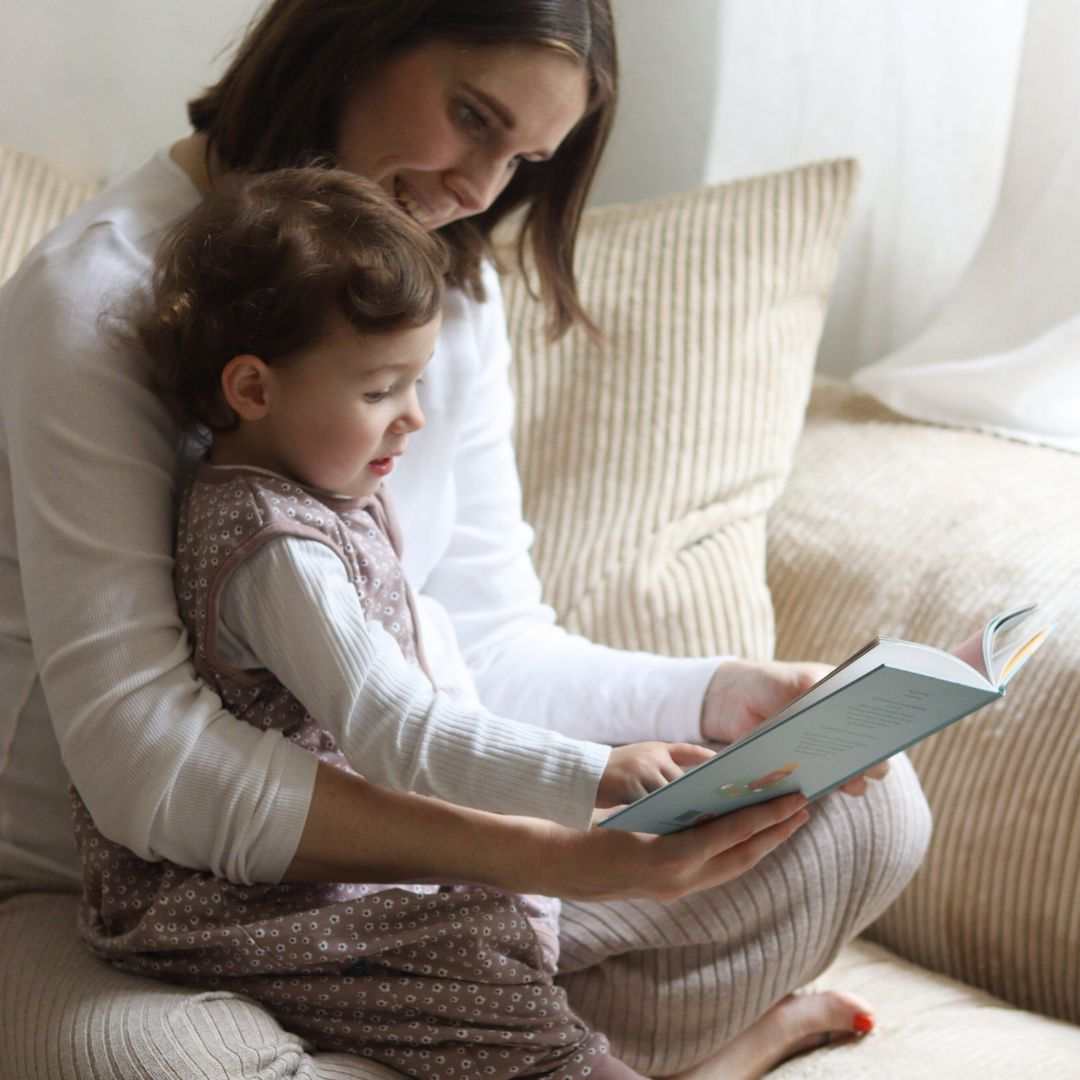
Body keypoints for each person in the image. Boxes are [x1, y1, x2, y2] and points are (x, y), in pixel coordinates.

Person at [0, 2, 932, 1078]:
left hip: (419, 870)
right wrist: (554, 857)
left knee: (871, 816)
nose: (481, 190)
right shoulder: (102, 298)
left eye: (526, 157)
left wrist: (720, 700)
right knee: (176, 1069)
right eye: (472, 118)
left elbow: (485, 642)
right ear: (355, 35)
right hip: (128, 901)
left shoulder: (434, 286)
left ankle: (476, 1027)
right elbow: (147, 764)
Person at [74, 163, 727, 1079]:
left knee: (509, 914)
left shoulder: (320, 494)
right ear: (253, 390)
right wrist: (599, 770)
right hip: (229, 904)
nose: (413, 420)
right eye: (380, 391)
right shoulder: (274, 546)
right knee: (473, 940)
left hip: (333, 854)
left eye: (417, 384)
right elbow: (400, 732)